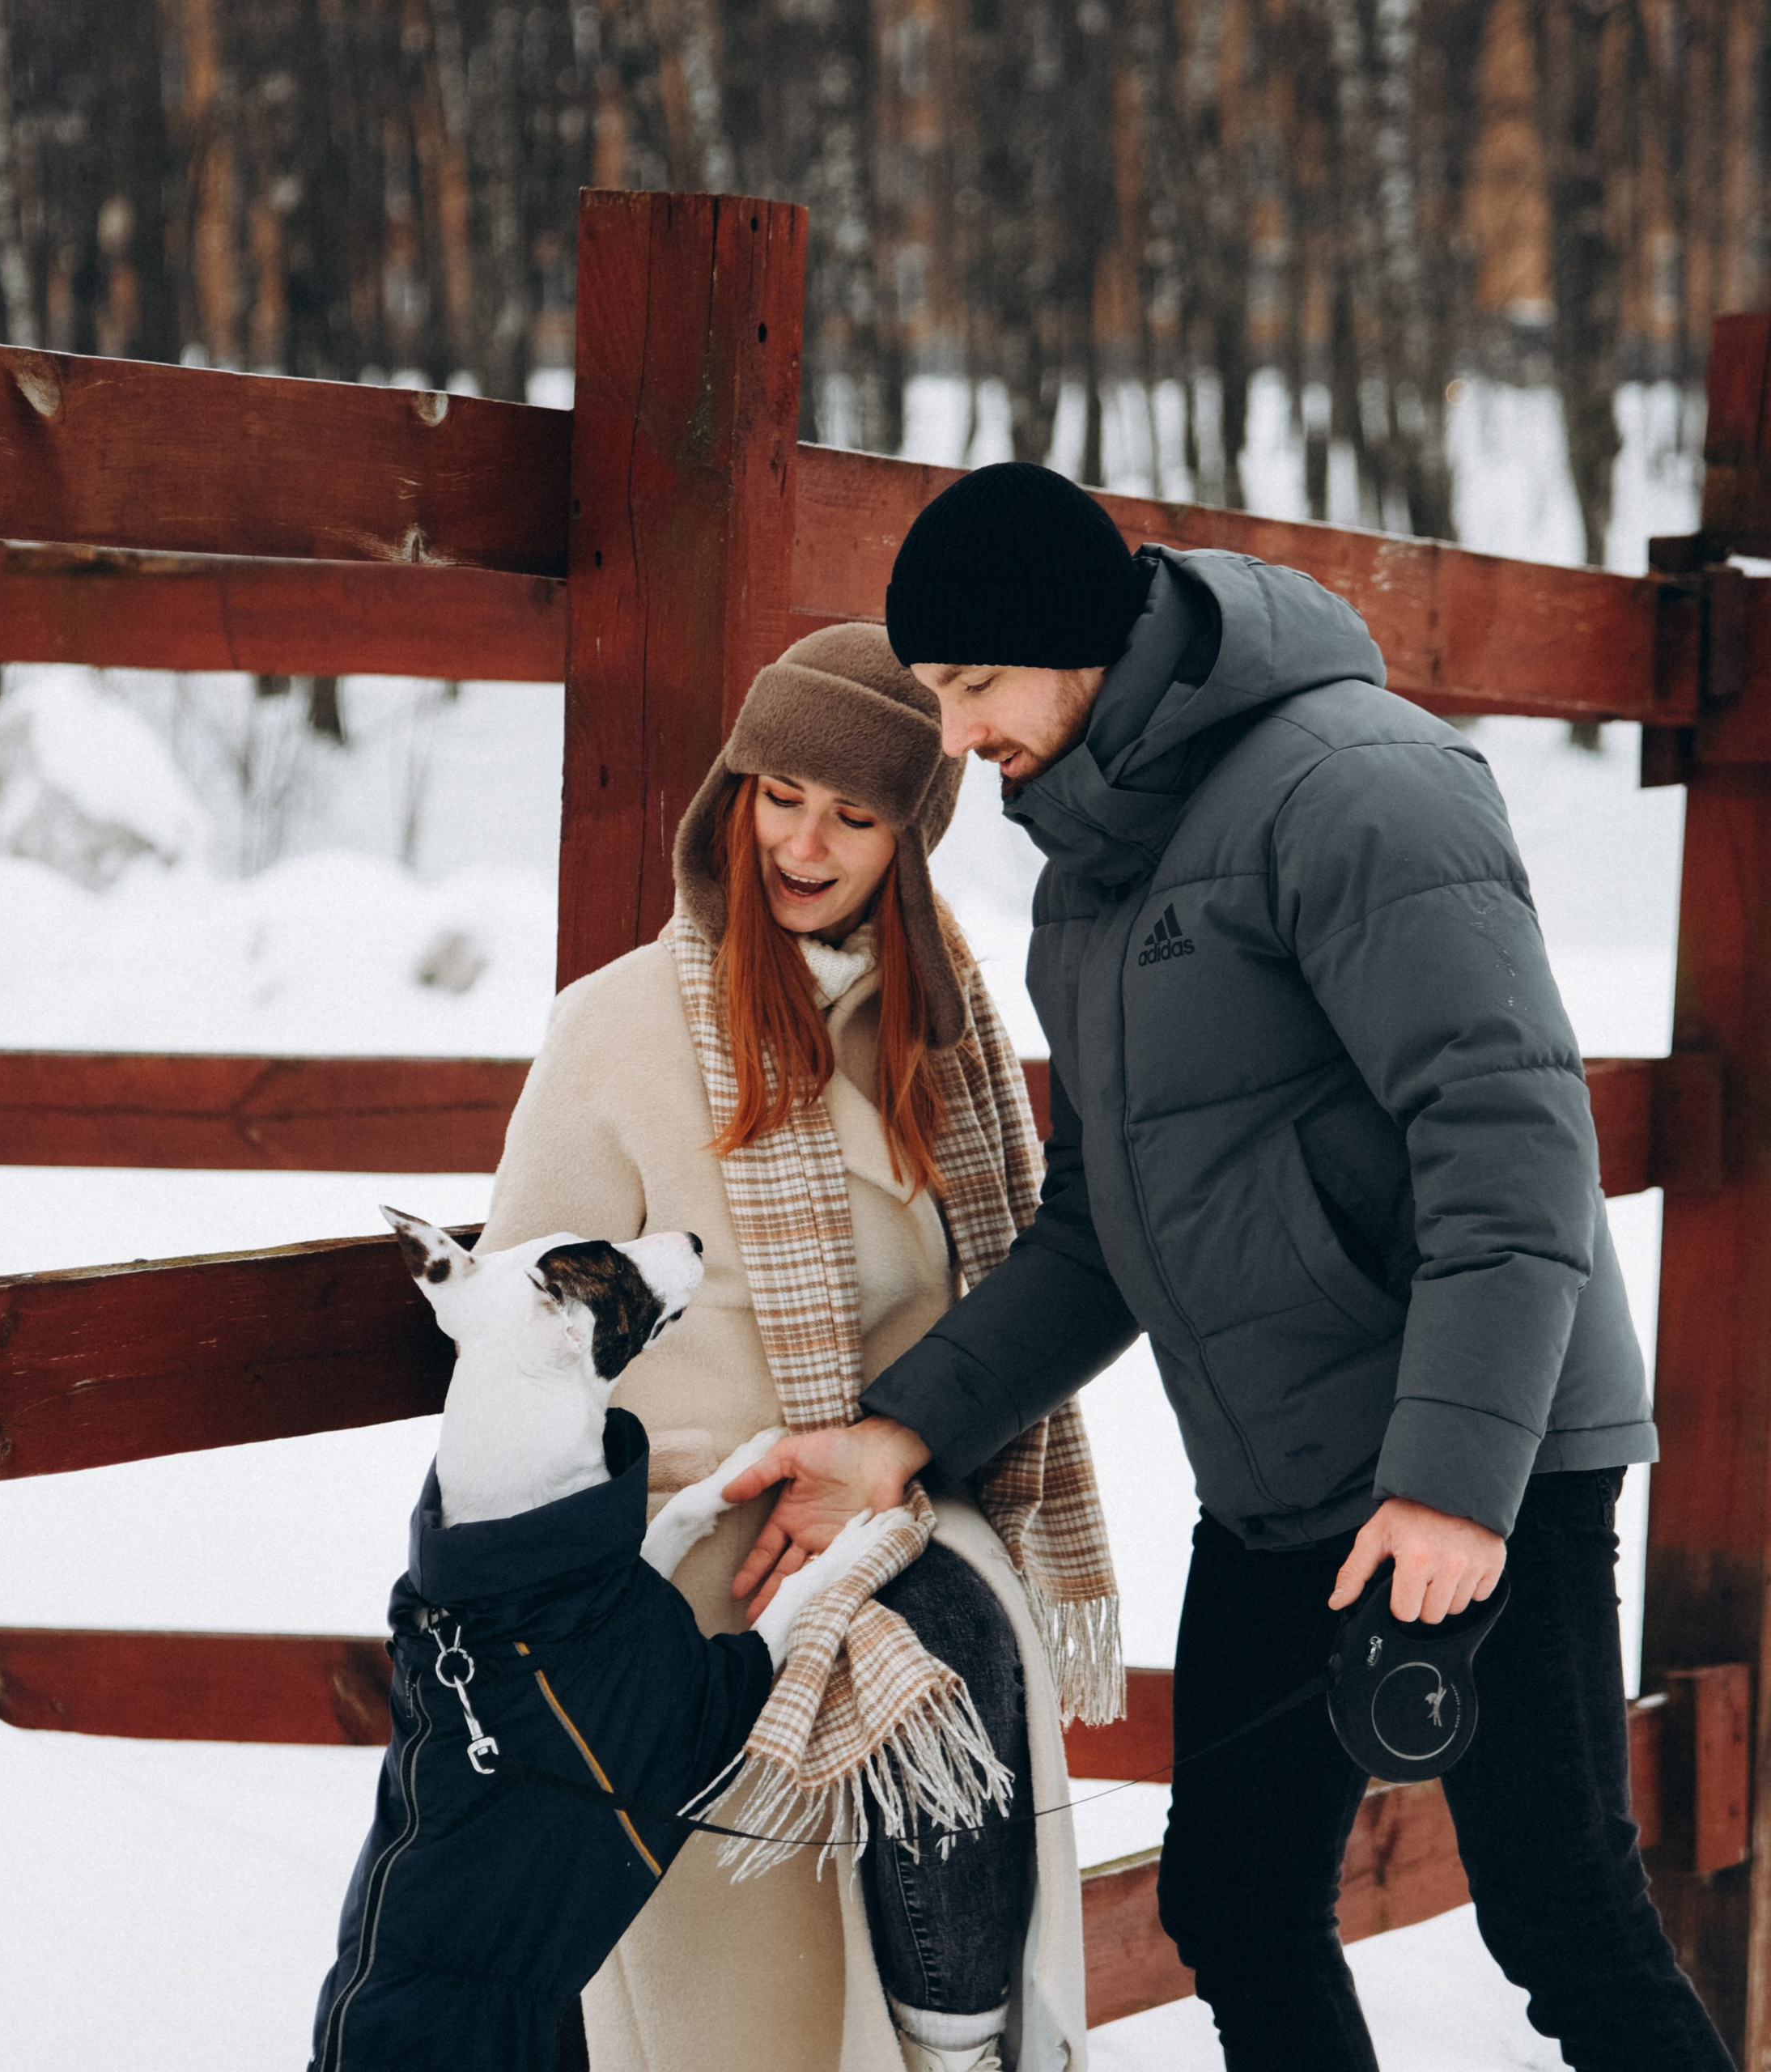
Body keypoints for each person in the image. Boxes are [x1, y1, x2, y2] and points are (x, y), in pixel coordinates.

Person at [733, 461, 1732, 2072]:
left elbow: (1510, 1148)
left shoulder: (1358, 789)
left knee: (1556, 1910)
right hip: (1282, 1473)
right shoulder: (1091, 879)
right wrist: (895, 1429)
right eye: (930, 692)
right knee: (1236, 1891)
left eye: (970, 682)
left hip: (1485, 1448)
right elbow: (1097, 1228)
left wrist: (1454, 1484)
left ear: (1073, 645)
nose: (951, 731)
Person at [477, 621, 1123, 2072]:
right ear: (734, 791)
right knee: (745, 2021)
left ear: (911, 838)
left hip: (898, 1523)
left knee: (945, 1669)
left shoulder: (939, 1045)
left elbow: (1003, 1310)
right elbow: (522, 1348)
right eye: (781, 794)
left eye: (855, 813)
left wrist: (895, 1483)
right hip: (688, 1553)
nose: (805, 845)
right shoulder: (621, 1027)